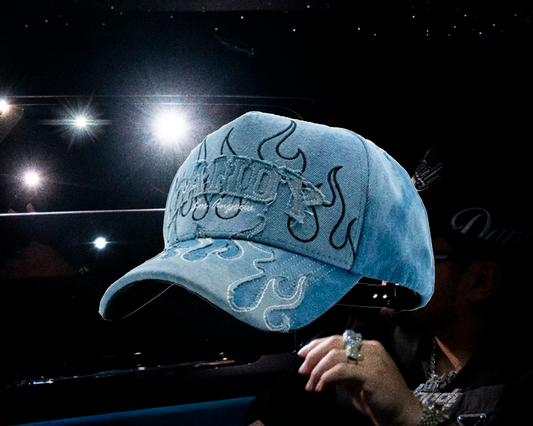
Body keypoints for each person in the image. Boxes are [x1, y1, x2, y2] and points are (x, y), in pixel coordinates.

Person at [246, 122, 532, 426]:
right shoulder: (363, 336)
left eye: (414, 249)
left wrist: (410, 414)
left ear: (480, 281)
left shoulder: (519, 381)